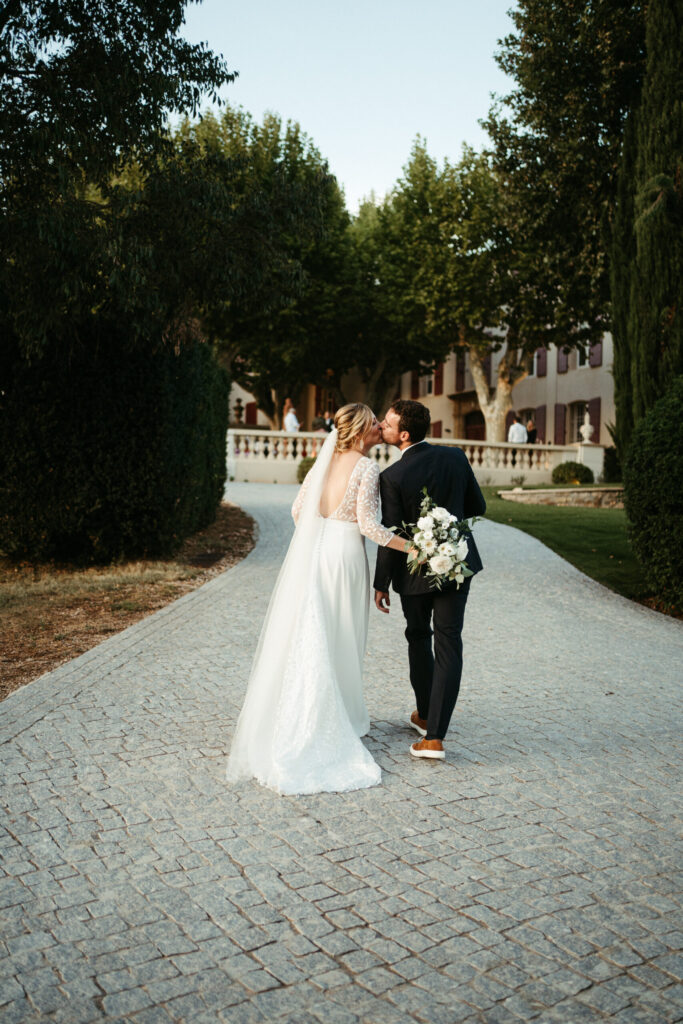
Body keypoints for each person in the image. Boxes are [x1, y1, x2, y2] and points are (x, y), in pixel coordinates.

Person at [226, 403, 414, 795]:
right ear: (361, 432)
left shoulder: (321, 464)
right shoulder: (366, 468)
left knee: (314, 630)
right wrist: (410, 547)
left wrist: (319, 535)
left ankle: (309, 709)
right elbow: (368, 526)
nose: (380, 429)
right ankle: (340, 714)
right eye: (374, 425)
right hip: (345, 557)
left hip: (317, 555)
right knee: (343, 632)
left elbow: (299, 512)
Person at [374, 400, 486, 762]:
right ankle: (432, 730)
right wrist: (446, 525)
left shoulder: (391, 477)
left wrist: (381, 582)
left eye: (387, 424)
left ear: (403, 435)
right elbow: (478, 506)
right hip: (457, 562)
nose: (381, 426)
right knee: (449, 642)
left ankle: (427, 720)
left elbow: (391, 534)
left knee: (419, 636)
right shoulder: (455, 456)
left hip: (416, 570)